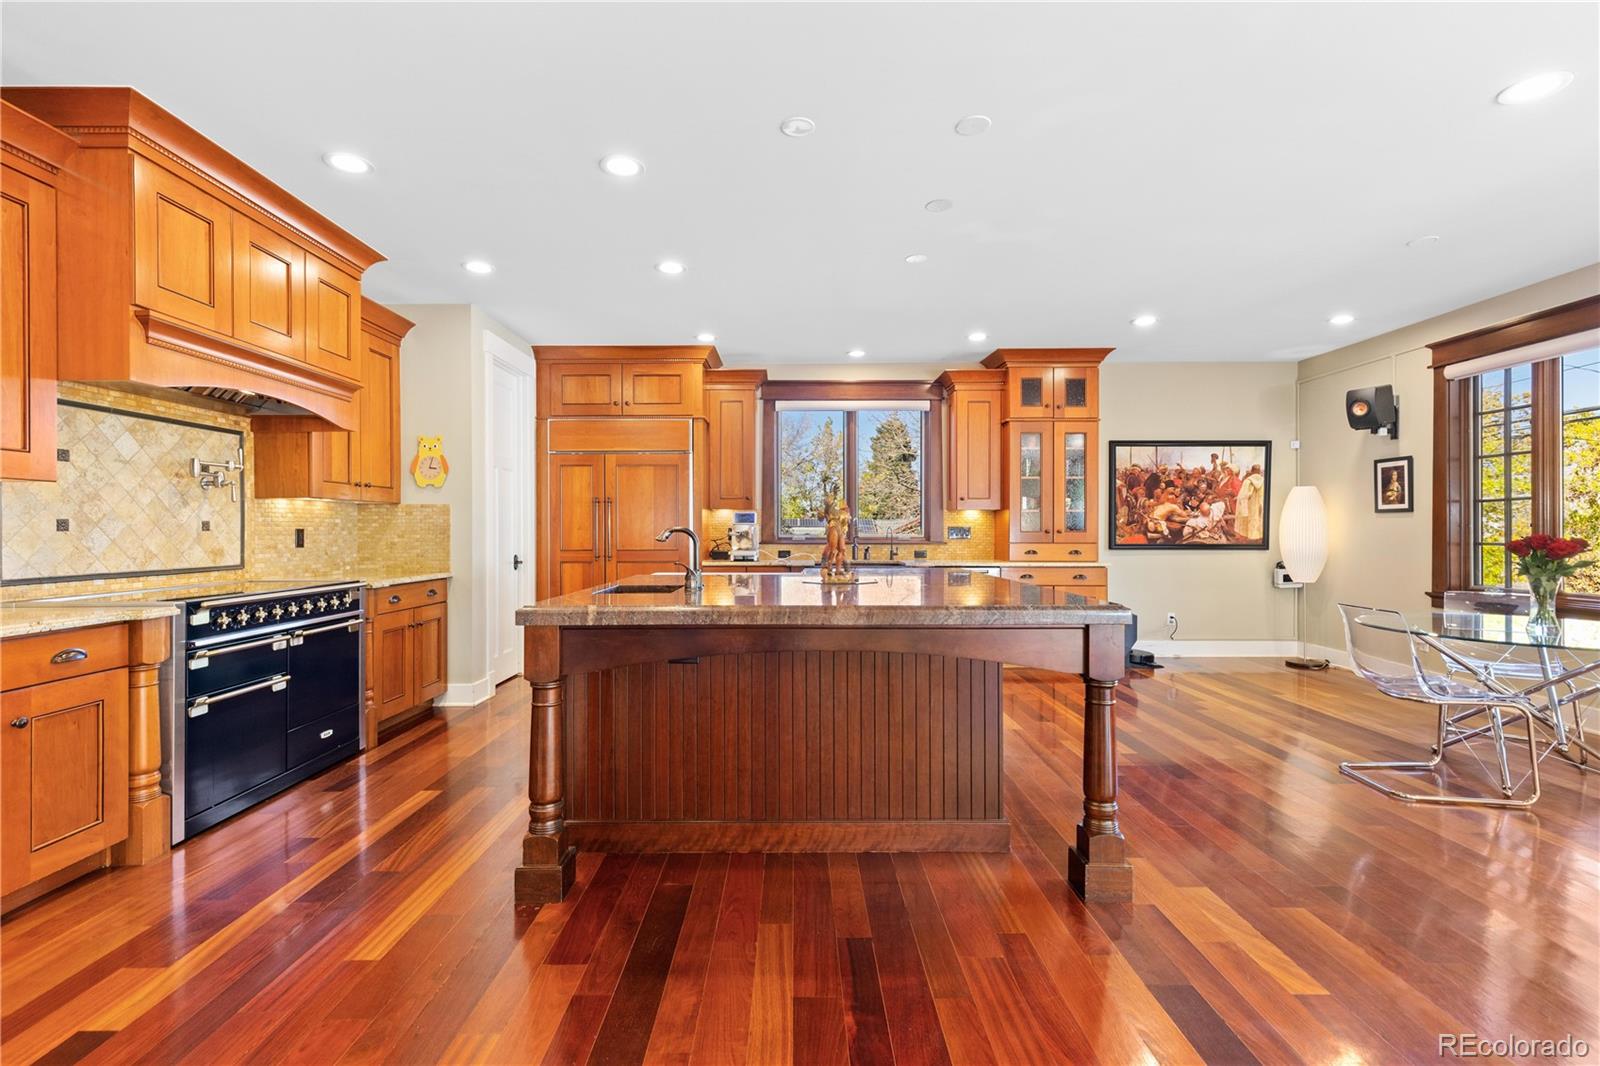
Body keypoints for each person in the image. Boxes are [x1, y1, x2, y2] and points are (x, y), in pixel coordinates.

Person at [1234, 463, 1266, 541]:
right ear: (1259, 471)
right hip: (1260, 505)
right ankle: (1257, 538)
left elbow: (1243, 496)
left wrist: (1238, 499)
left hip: (1249, 506)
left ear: (1252, 471)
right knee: (1258, 520)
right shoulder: (1264, 481)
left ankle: (1248, 537)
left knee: (1248, 521)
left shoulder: (1247, 481)